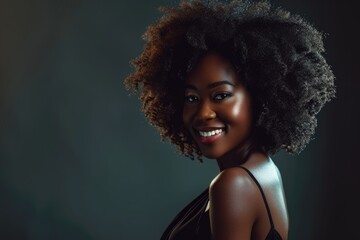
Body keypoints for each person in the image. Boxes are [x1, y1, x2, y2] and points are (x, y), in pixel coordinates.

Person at [124, 0, 336, 239]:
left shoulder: (233, 185)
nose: (204, 113)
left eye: (221, 95)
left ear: (258, 96)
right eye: (192, 98)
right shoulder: (263, 170)